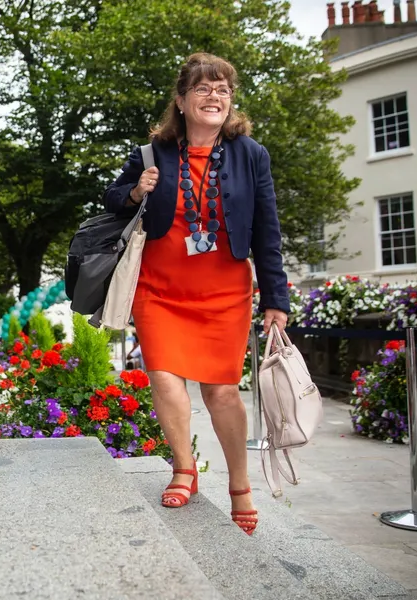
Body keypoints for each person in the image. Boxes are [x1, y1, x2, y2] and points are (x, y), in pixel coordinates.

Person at [102, 52, 290, 536]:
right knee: (166, 381)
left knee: (223, 391)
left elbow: (268, 230)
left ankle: (240, 485)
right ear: (182, 100)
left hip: (224, 291)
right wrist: (135, 191)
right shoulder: (153, 153)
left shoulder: (251, 154)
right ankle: (183, 467)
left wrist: (276, 299)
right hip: (159, 290)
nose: (215, 96)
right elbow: (110, 198)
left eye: (223, 89)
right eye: (204, 88)